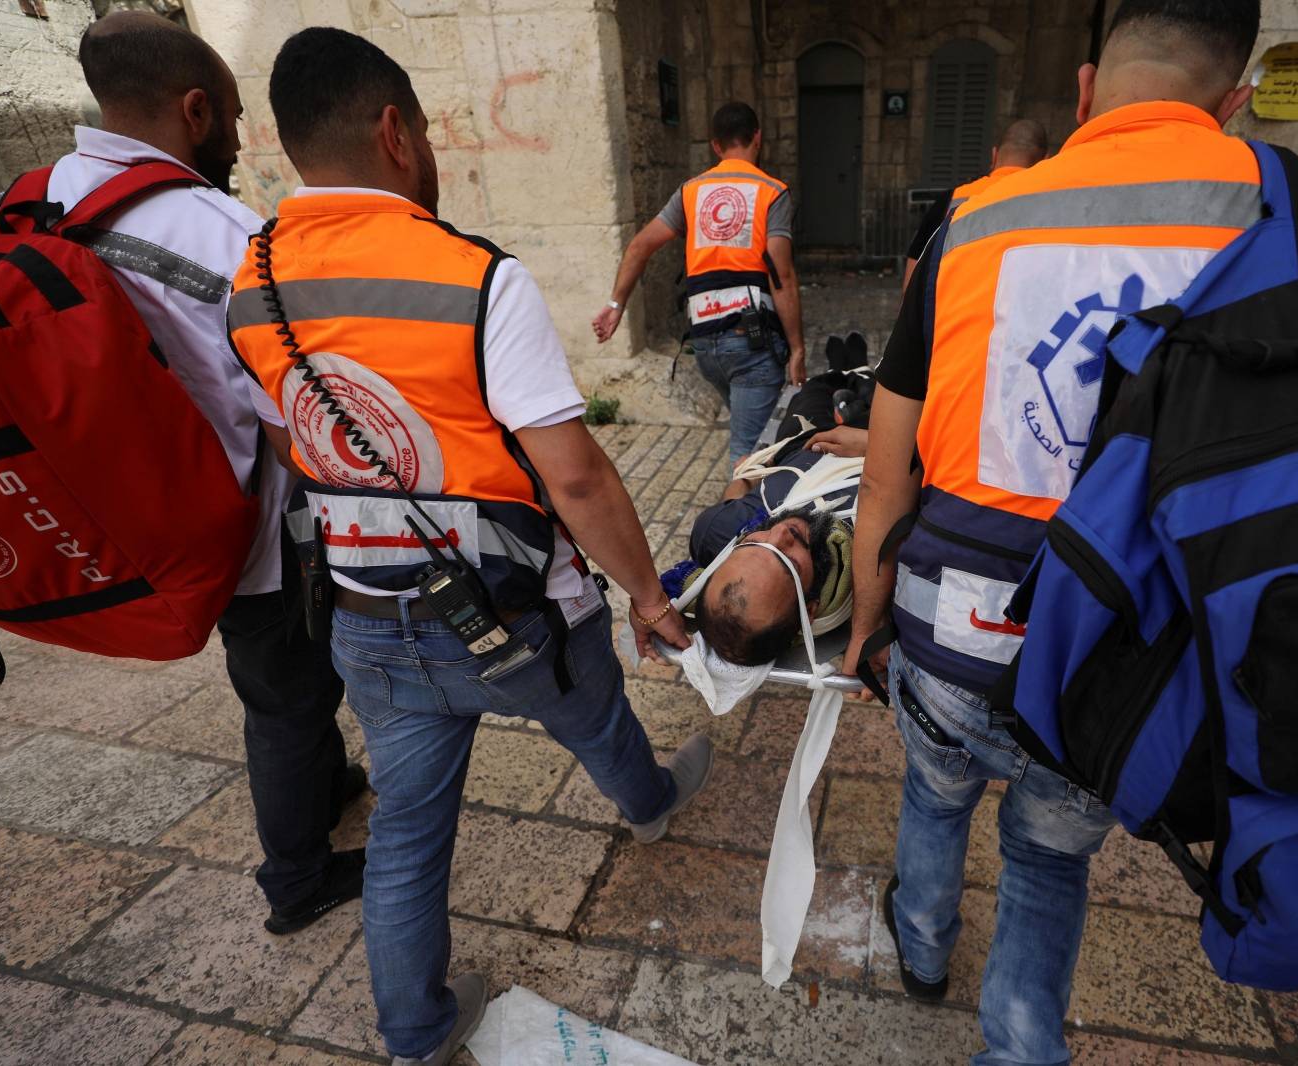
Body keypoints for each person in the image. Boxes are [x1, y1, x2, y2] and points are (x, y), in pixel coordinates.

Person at [844, 2, 1298, 1062]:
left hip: (955, 635)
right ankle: (1019, 1047)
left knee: (934, 795)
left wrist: (863, 627)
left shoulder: (976, 222)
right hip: (1127, 670)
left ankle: (922, 943)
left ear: (1085, 90)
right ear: (1235, 100)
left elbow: (885, 479)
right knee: (1046, 859)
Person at [227, 29, 711, 1066]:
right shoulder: (474, 278)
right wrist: (647, 597)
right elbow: (575, 474)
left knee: (404, 833)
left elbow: (293, 442)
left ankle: (415, 1034)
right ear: (396, 131)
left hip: (364, 619)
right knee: (596, 714)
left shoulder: (250, 285)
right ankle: (652, 805)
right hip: (510, 616)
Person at [11, 12, 368, 936]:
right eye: (238, 118)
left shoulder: (32, 197)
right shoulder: (222, 230)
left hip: (140, 518)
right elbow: (292, 402)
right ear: (196, 108)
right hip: (247, 529)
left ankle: (326, 787)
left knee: (281, 679)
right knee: (286, 694)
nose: (243, 138)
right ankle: (297, 878)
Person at [591, 102, 807, 469]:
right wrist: (798, 347)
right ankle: (736, 523)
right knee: (751, 455)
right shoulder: (772, 192)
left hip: (705, 341)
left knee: (748, 434)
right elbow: (781, 275)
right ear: (758, 137)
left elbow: (640, 245)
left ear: (716, 146)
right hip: (752, 342)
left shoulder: (691, 192)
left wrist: (615, 306)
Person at [684, 366, 872, 666]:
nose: (781, 532)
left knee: (814, 389)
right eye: (789, 563)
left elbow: (736, 500)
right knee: (884, 397)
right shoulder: (873, 564)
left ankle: (846, 374)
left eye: (753, 544)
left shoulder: (717, 533)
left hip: (803, 443)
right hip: (877, 445)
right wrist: (874, 445)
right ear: (809, 611)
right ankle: (861, 389)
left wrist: (745, 476)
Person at [901, 118, 1048, 290]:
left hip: (951, 313)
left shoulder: (951, 200)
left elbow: (911, 283)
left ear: (994, 154)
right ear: (1046, 160)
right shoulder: (1050, 205)